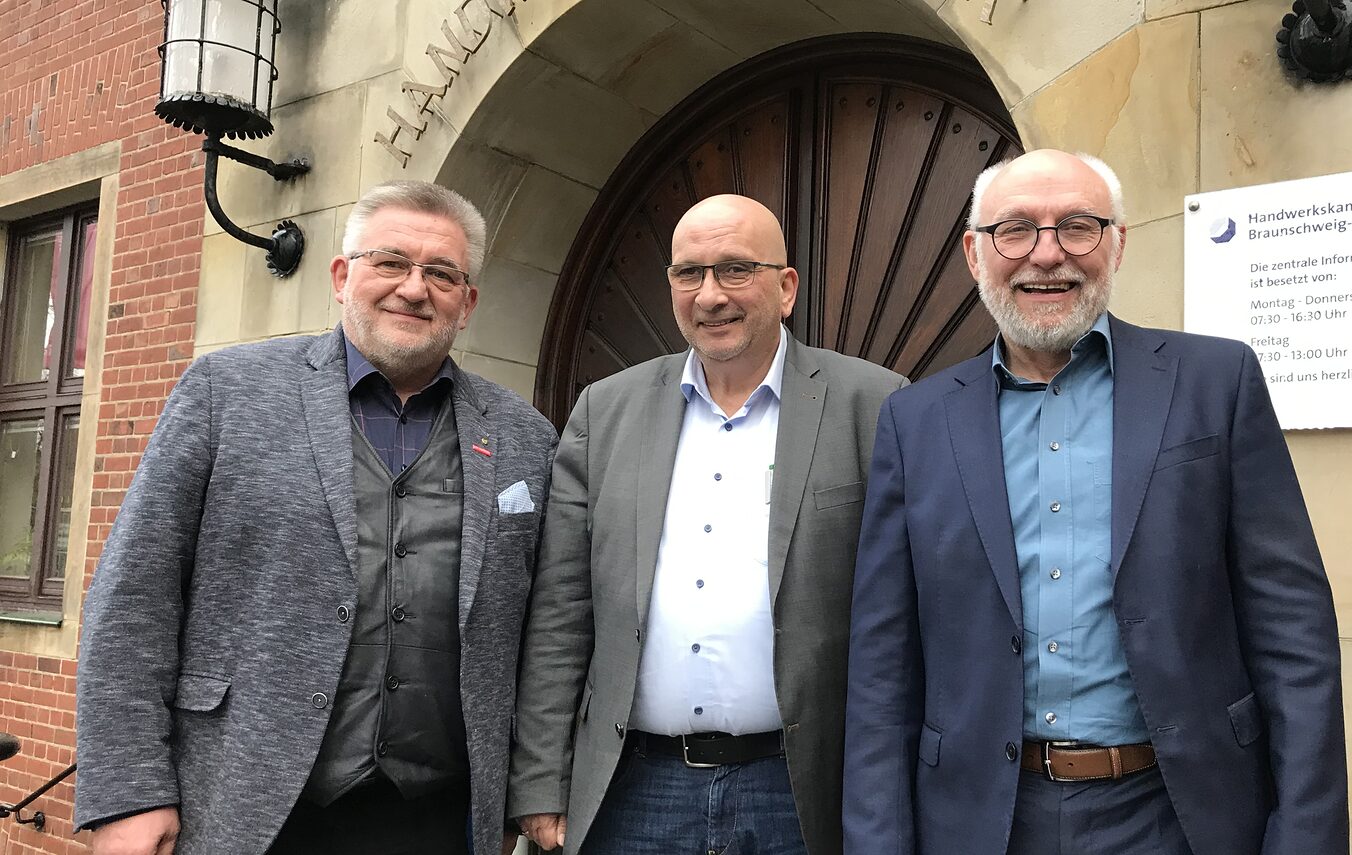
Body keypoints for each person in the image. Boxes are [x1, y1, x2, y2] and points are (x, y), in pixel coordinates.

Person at [843, 150, 1348, 855]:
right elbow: (881, 663)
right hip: (978, 821)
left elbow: (1293, 633)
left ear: (1117, 241)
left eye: (1077, 226)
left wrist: (1305, 836)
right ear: (973, 252)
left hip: (1175, 814)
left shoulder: (1215, 380)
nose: (1047, 255)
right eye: (1015, 230)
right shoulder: (915, 420)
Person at [75, 180, 556, 855]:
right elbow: (134, 598)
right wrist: (129, 791)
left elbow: (545, 632)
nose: (414, 289)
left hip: (439, 820)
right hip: (247, 804)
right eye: (390, 262)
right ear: (341, 275)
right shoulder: (227, 392)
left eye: (441, 273)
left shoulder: (525, 437)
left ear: (467, 301)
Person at [509, 194, 905, 855]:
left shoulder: (876, 404)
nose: (710, 294)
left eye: (735, 269)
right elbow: (561, 610)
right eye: (688, 273)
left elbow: (904, 618)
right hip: (634, 790)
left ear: (786, 287)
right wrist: (541, 781)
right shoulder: (604, 412)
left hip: (802, 791)